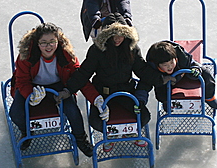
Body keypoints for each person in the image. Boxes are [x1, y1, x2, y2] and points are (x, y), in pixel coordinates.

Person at [63, 13, 173, 152]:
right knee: (96, 121)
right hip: (104, 93)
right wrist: (68, 89)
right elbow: (84, 73)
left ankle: (129, 131)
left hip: (126, 92)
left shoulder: (132, 49)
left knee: (143, 116)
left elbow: (143, 70)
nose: (117, 39)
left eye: (120, 34)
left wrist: (161, 79)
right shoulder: (97, 51)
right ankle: (111, 134)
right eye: (112, 35)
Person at [8, 23, 99, 156]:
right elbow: (22, 81)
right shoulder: (26, 56)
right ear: (37, 43)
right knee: (15, 113)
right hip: (32, 86)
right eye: (43, 43)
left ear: (58, 41)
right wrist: (30, 95)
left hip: (58, 86)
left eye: (52, 42)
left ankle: (81, 139)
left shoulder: (66, 55)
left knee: (72, 111)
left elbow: (80, 79)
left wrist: (96, 98)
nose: (48, 46)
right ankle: (26, 131)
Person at [141, 40, 217, 110]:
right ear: (157, 65)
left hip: (181, 72)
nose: (169, 67)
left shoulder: (182, 58)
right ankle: (166, 101)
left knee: (206, 73)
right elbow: (144, 84)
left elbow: (192, 64)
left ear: (176, 59)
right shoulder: (152, 70)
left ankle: (209, 97)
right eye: (165, 65)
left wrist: (196, 70)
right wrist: (140, 101)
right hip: (165, 79)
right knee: (160, 88)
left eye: (171, 63)